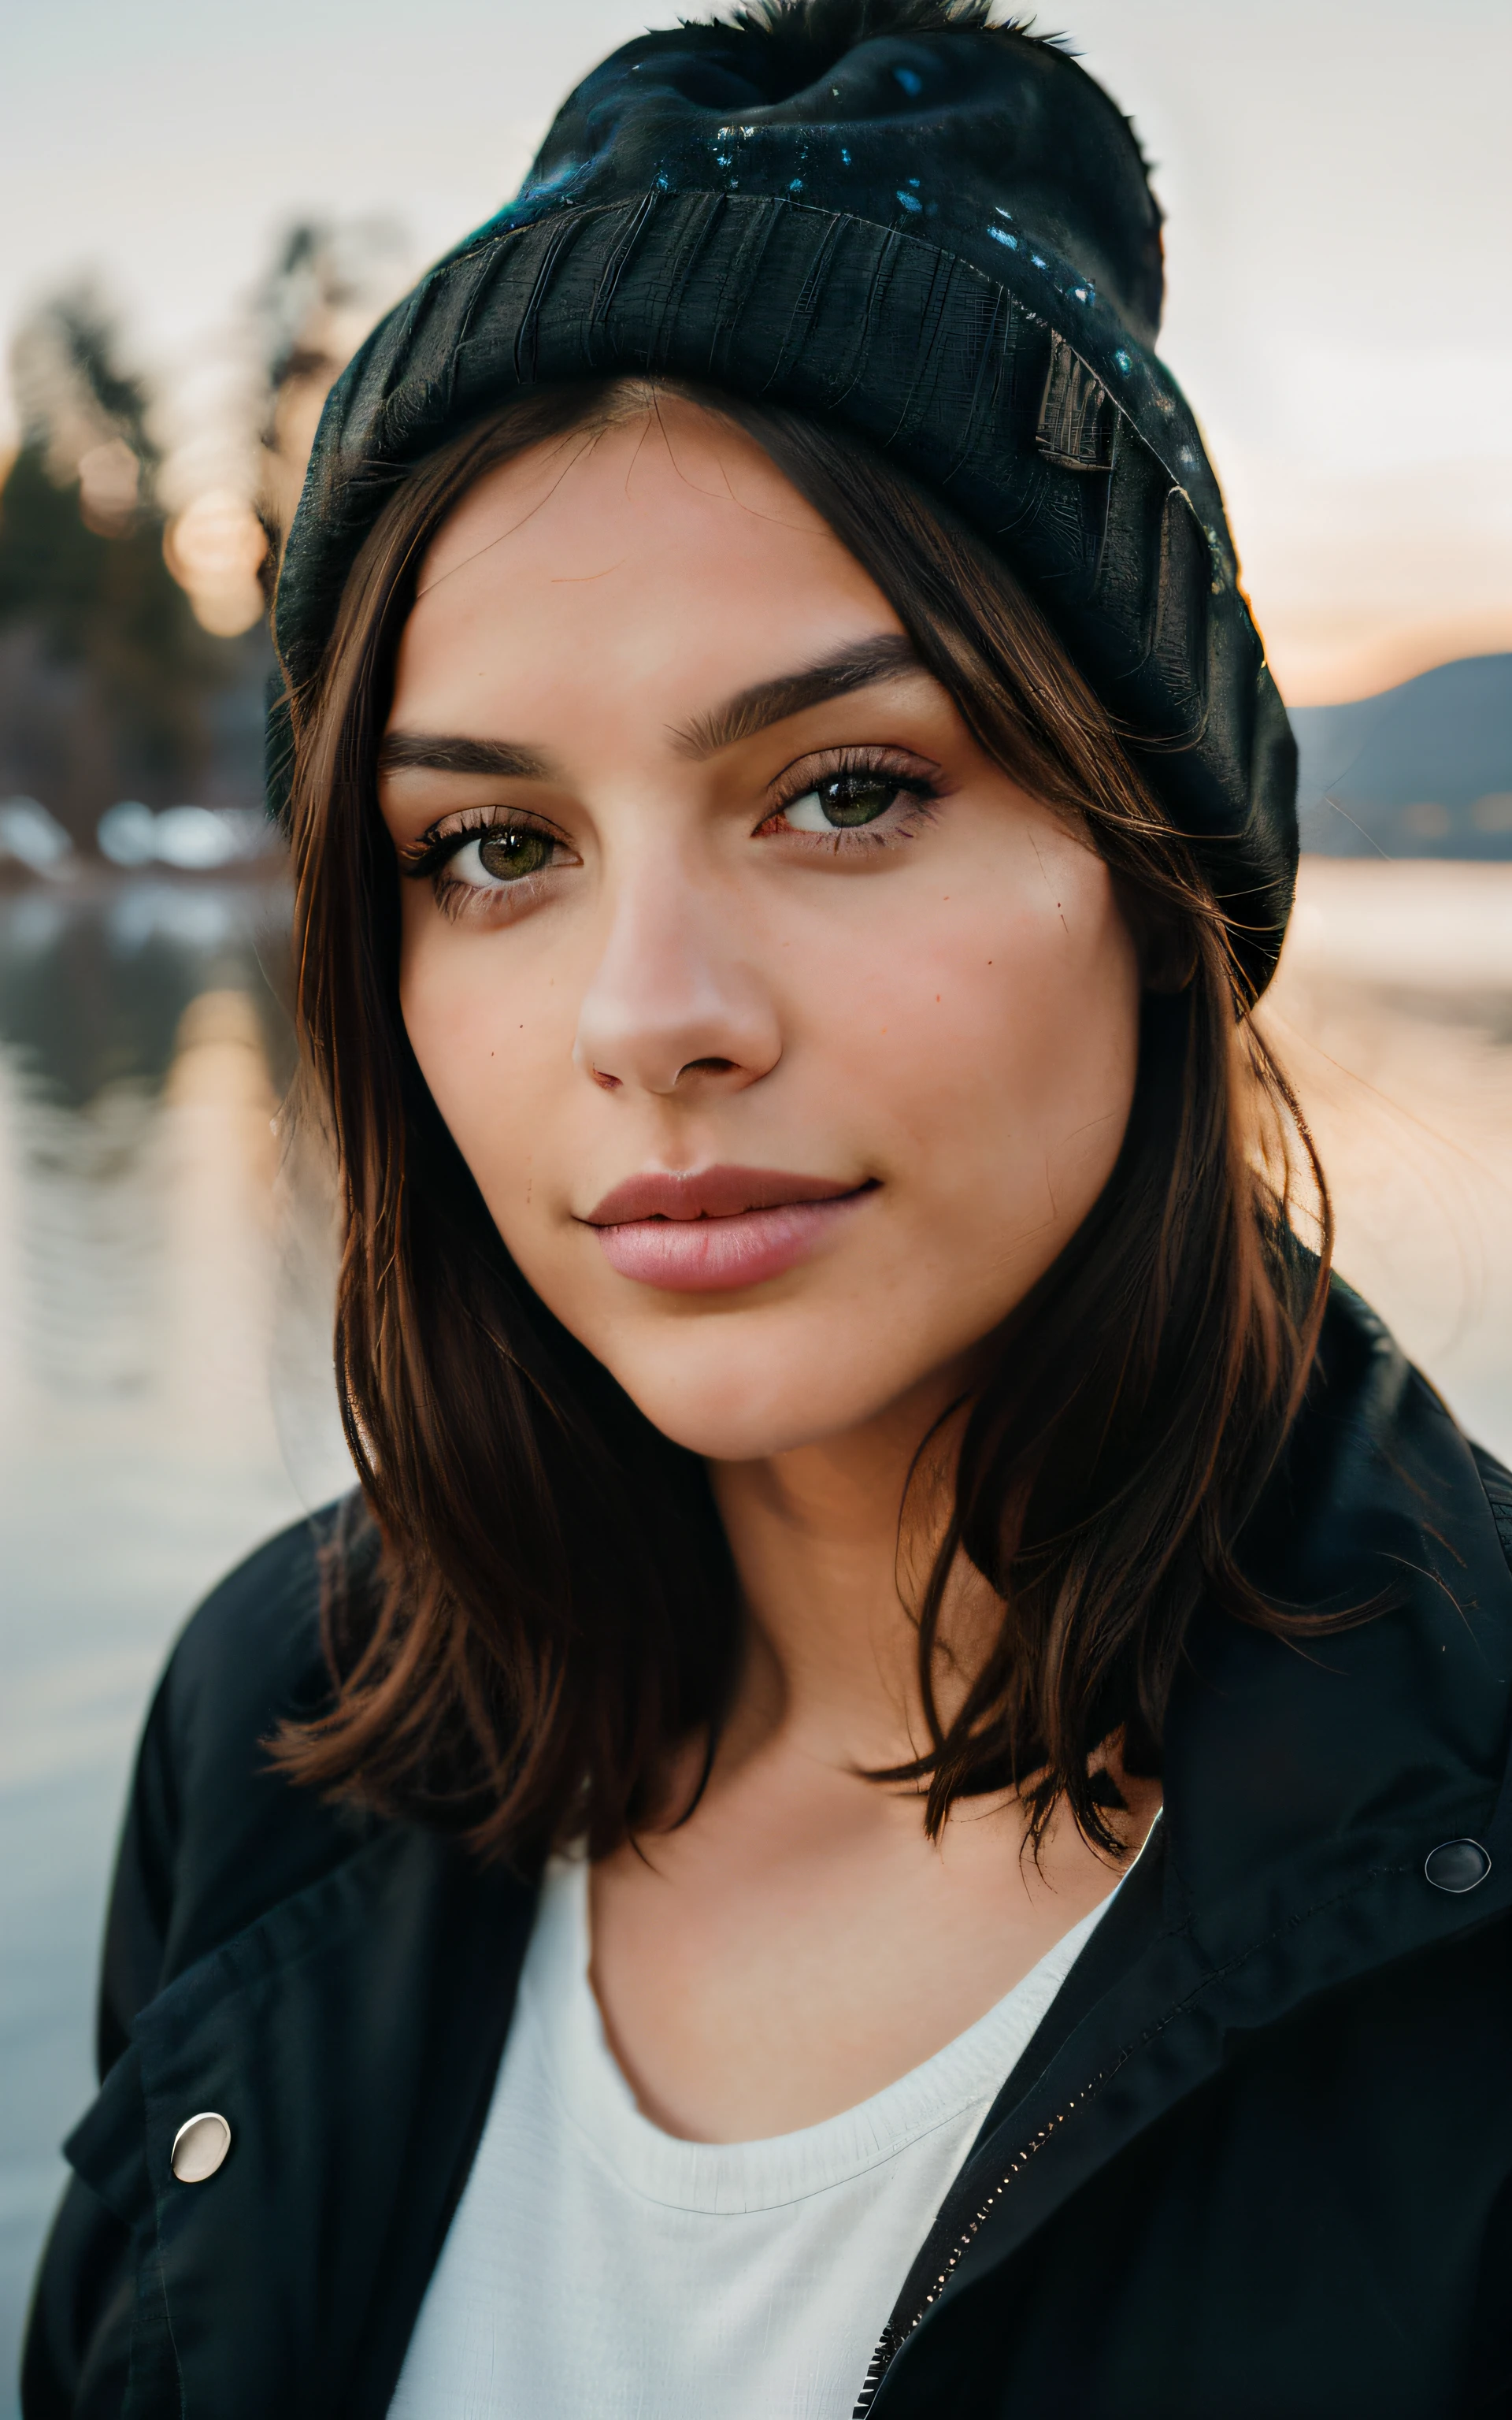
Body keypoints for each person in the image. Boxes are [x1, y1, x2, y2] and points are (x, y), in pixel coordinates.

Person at [23, 6, 1512, 2415]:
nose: (652, 1015)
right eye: (491, 848)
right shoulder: (280, 1725)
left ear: (1158, 880)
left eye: (843, 791)